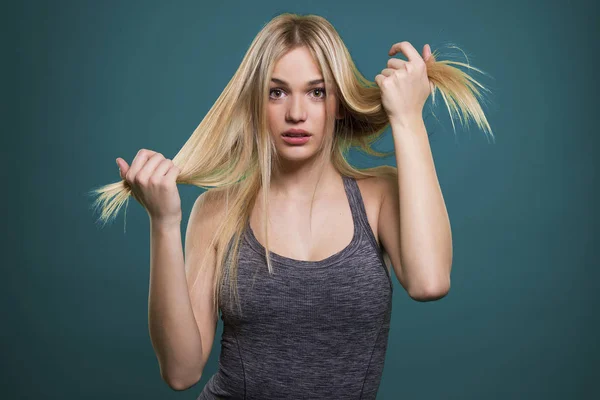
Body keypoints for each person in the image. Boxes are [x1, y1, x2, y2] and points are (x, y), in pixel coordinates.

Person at [89, 12, 493, 399]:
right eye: (276, 92)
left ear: (337, 104)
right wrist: (163, 223)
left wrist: (407, 119)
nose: (296, 113)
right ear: (255, 104)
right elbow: (181, 372)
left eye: (316, 93)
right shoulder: (216, 212)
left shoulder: (379, 196)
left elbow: (430, 282)